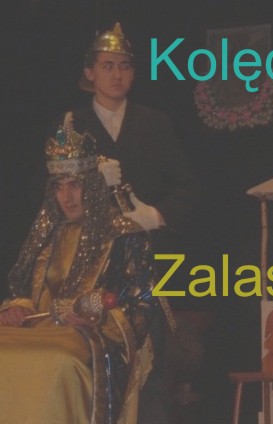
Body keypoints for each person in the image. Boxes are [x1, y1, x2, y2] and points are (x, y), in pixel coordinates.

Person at [47, 22, 201, 423]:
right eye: (108, 65)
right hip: (88, 268)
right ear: (89, 72)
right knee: (89, 367)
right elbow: (49, 197)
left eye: (125, 66)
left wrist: (155, 215)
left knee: (149, 369)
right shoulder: (72, 125)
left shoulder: (155, 122)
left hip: (146, 265)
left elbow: (188, 187)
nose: (117, 74)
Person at [0, 115, 159, 423]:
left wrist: (97, 318)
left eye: (75, 185)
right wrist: (18, 307)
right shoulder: (46, 234)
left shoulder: (124, 235)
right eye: (59, 187)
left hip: (90, 337)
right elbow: (22, 290)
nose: (67, 197)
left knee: (61, 359)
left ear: (93, 187)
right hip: (37, 331)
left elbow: (141, 307)